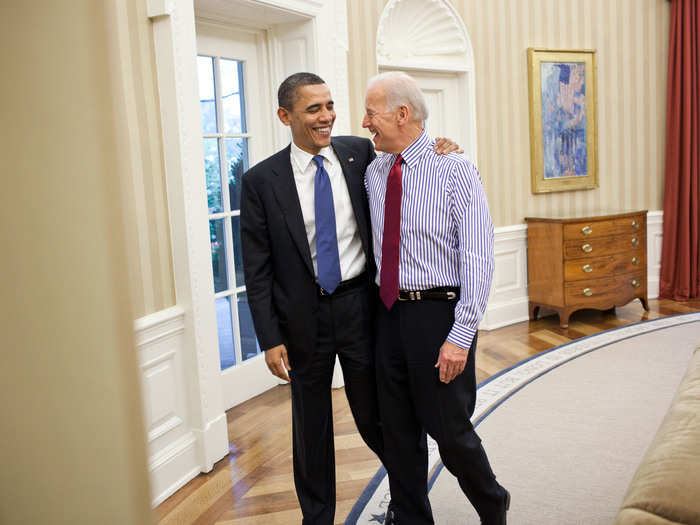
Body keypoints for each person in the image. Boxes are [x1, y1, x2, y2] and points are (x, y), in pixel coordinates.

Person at [240, 72, 458, 525]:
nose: (328, 117)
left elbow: (408, 147)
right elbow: (256, 269)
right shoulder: (261, 181)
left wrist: (442, 145)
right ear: (286, 116)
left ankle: (410, 508)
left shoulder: (359, 154)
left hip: (362, 309)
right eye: (313, 109)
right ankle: (316, 518)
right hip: (302, 322)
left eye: (330, 105)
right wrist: (269, 337)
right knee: (311, 431)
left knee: (384, 421)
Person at [362, 71, 510, 525]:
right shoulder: (372, 172)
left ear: (402, 114)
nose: (364, 123)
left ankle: (492, 503)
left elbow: (478, 256)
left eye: (372, 113)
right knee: (398, 433)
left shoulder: (455, 168)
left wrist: (461, 335)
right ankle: (410, 516)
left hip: (437, 315)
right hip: (386, 315)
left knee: (450, 432)